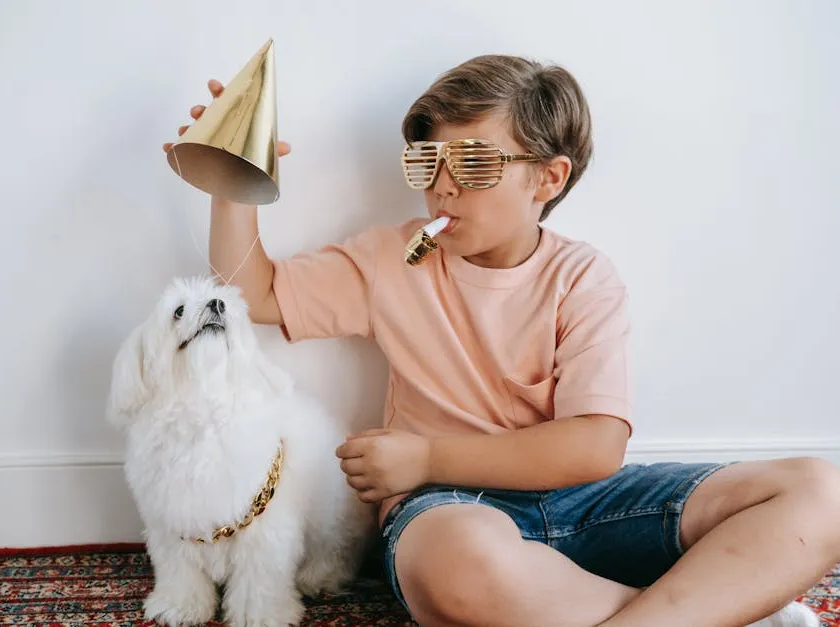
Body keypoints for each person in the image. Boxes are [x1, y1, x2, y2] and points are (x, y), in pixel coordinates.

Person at [163, 55, 840, 627]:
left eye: (475, 163)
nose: (443, 184)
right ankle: (721, 608)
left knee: (821, 488)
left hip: (582, 500)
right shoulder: (392, 258)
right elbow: (255, 290)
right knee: (451, 559)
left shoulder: (583, 277)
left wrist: (425, 454)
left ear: (549, 178)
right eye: (429, 160)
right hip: (450, 508)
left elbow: (595, 444)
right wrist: (231, 182)